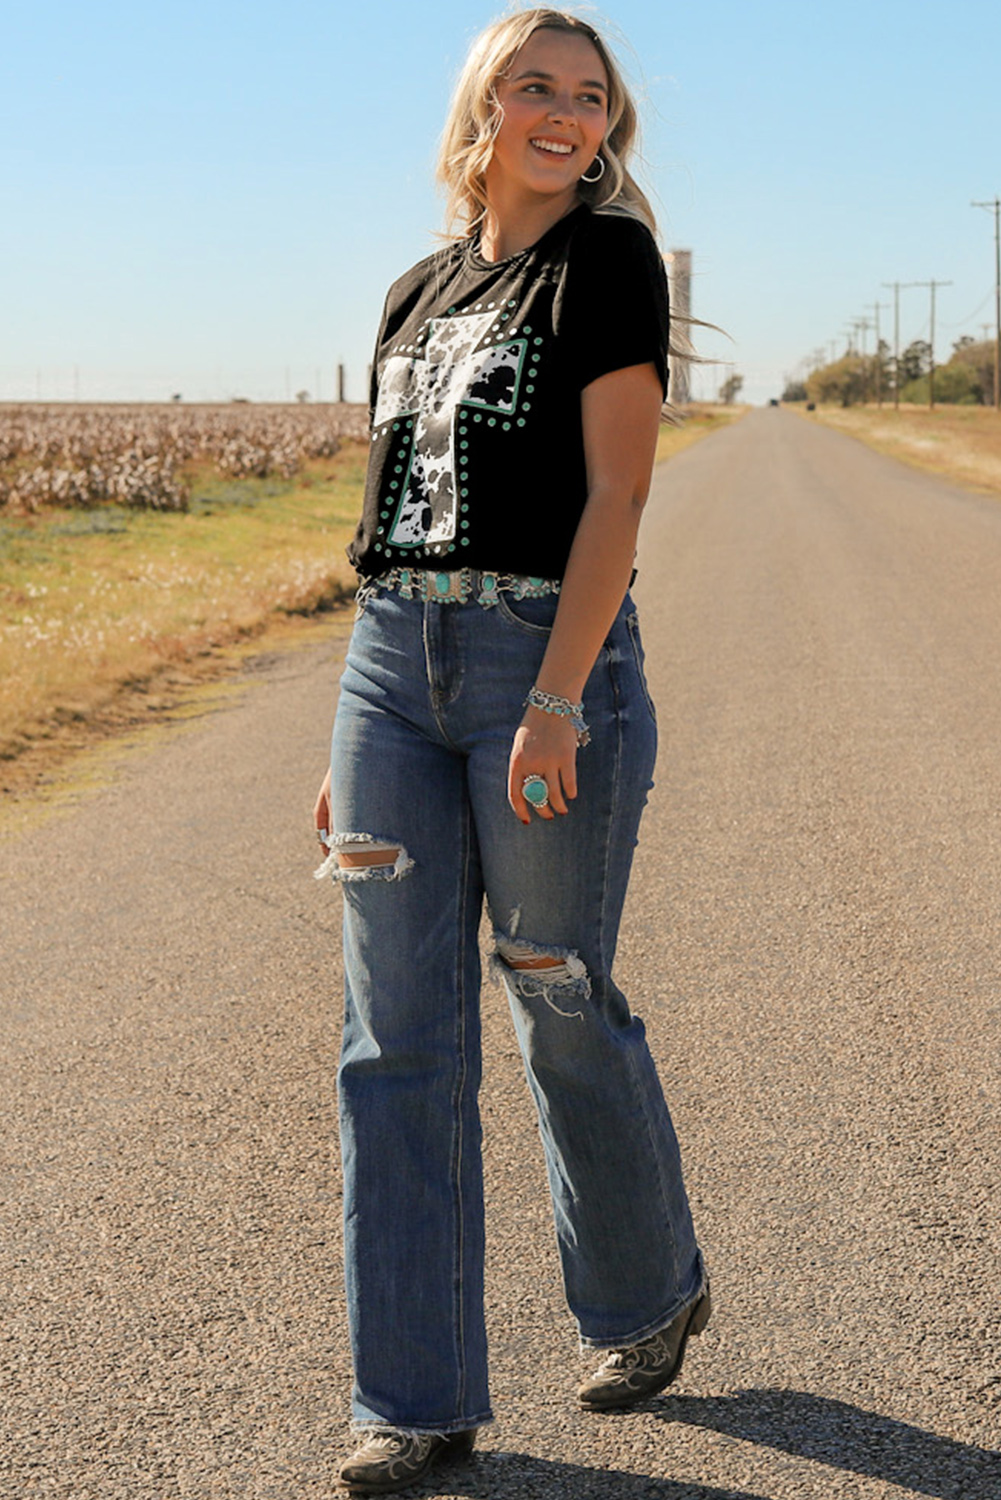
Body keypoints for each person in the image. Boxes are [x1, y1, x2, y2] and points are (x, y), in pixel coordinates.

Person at [313, 8, 709, 1493]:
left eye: (587, 96)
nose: (561, 111)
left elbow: (614, 499)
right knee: (390, 1041)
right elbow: (392, 520)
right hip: (386, 670)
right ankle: (409, 1402)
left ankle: (642, 1294)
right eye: (532, 84)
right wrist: (343, 732)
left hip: (542, 661)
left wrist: (551, 700)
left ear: (607, 130)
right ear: (481, 103)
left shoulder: (602, 264)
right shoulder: (416, 288)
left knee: (552, 992)